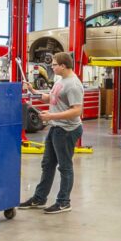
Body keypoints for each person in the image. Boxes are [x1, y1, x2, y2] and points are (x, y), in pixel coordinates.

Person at [19, 51, 85, 214]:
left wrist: (51, 116)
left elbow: (77, 111)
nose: (51, 67)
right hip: (56, 127)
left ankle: (64, 202)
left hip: (67, 130)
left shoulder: (73, 85)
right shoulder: (60, 80)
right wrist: (35, 92)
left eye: (54, 65)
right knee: (47, 164)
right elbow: (53, 98)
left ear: (63, 66)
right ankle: (40, 198)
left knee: (65, 167)